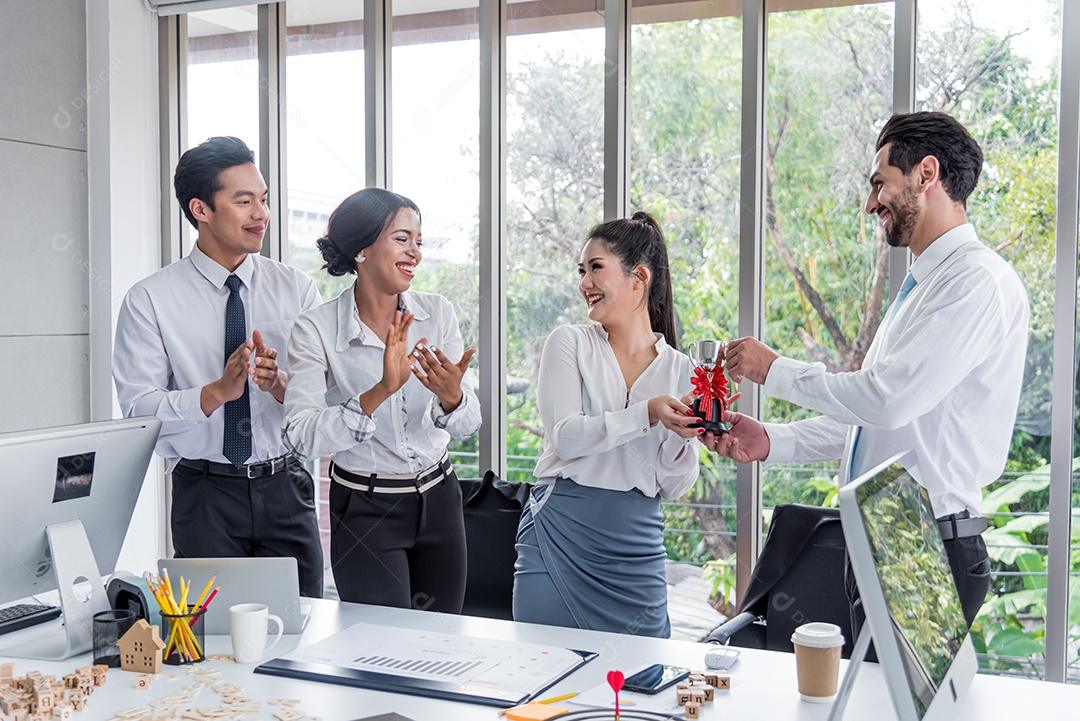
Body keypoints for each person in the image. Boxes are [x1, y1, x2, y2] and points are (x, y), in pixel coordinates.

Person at [709, 111, 1029, 628]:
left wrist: (774, 369)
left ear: (927, 174)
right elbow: (876, 422)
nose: (870, 203)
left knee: (895, 709)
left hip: (923, 544)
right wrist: (771, 439)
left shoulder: (975, 282)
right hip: (886, 539)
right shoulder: (923, 289)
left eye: (880, 182)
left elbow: (886, 400)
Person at [113, 136, 324, 597]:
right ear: (201, 210)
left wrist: (281, 384)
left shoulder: (297, 290)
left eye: (264, 200)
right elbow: (138, 413)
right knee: (209, 642)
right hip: (204, 494)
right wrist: (216, 392)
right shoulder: (150, 300)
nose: (261, 214)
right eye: (244, 201)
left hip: (285, 486)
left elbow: (325, 398)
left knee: (303, 629)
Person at [282, 188, 480, 612]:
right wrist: (380, 391)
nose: (415, 253)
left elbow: (467, 426)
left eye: (419, 242)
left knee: (440, 642)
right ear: (361, 249)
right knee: (377, 650)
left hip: (439, 500)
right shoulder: (315, 329)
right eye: (402, 239)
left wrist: (453, 399)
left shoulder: (437, 313)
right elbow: (299, 437)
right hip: (365, 512)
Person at [512, 212, 702, 638]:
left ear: (639, 278)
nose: (584, 283)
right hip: (558, 532)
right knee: (544, 677)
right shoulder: (570, 342)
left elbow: (674, 484)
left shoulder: (682, 369)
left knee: (639, 682)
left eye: (596, 268)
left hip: (635, 547)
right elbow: (565, 436)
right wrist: (647, 413)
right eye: (582, 271)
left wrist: (681, 435)